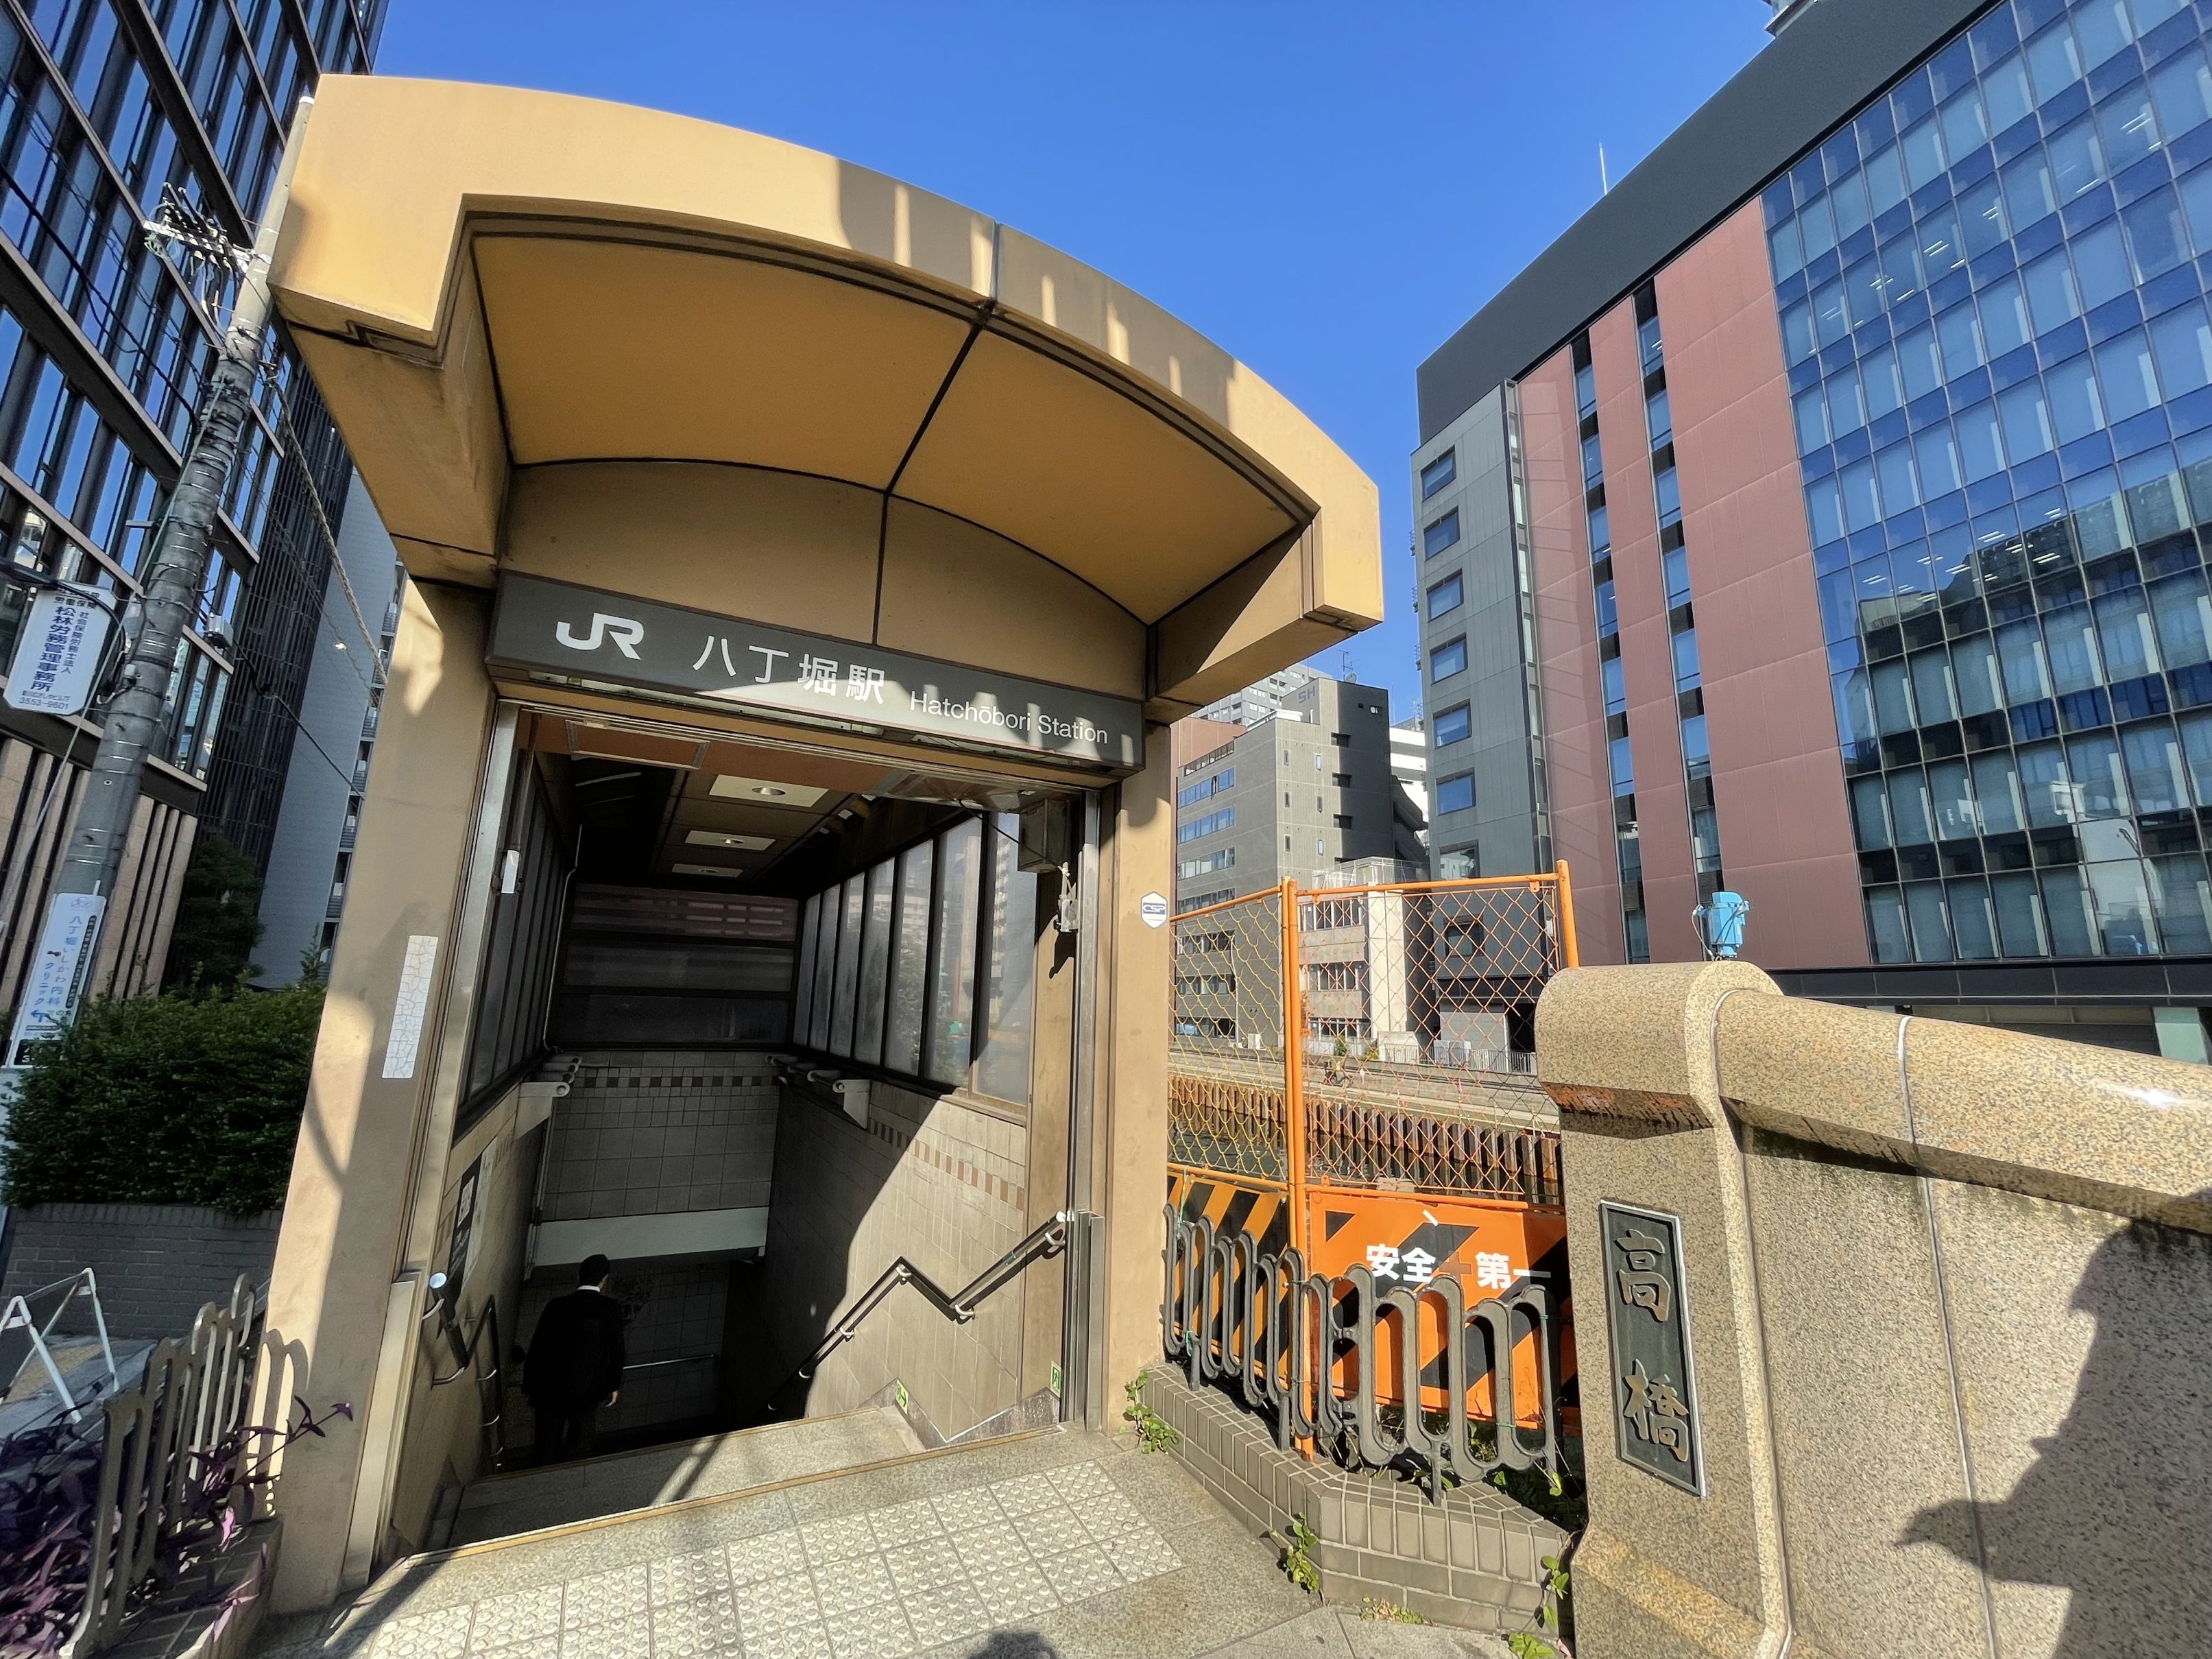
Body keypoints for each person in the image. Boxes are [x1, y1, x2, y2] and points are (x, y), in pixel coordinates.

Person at [523, 1254, 625, 1464]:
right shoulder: (610, 1308)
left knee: (546, 1441)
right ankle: (574, 1476)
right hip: (588, 1387)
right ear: (604, 1280)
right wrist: (614, 1384)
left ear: (579, 1276)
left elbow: (538, 1345)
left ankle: (542, 1474)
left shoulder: (556, 1305)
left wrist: (530, 1384)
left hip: (549, 1385)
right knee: (580, 1441)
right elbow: (617, 1350)